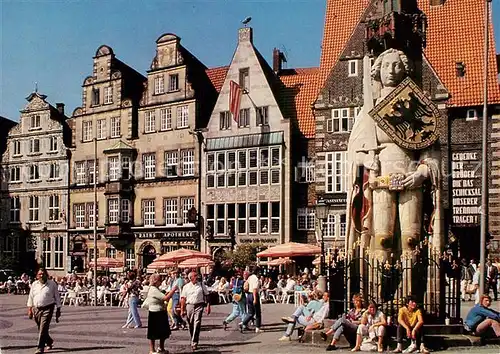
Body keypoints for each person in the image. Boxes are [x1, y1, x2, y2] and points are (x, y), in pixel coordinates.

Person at [346, 48, 442, 269]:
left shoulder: (416, 105)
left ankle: (410, 292)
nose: (392, 70)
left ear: (405, 69)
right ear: (378, 71)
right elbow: (354, 149)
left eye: (397, 65)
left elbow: (430, 149)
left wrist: (421, 173)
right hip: (380, 181)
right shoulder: (370, 109)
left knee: (411, 241)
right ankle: (379, 293)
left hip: (410, 179)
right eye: (387, 65)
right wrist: (364, 161)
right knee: (382, 240)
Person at [27, 267, 62, 354]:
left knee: (43, 328)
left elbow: (57, 297)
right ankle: (49, 341)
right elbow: (31, 297)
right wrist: (30, 309)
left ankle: (40, 348)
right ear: (37, 276)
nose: (41, 276)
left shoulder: (52, 284)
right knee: (41, 328)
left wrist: (58, 308)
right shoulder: (34, 284)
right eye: (39, 274)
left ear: (46, 275)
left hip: (48, 308)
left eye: (43, 274)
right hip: (36, 309)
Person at [143, 274, 178, 354]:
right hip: (155, 312)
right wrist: (173, 290)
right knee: (153, 332)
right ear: (155, 281)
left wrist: (168, 292)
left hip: (161, 311)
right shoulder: (153, 289)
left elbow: (162, 296)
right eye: (160, 280)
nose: (161, 282)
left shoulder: (156, 289)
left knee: (163, 332)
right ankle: (152, 350)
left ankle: (161, 348)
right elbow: (165, 298)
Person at [180, 271, 211, 351]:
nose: (196, 277)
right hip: (189, 306)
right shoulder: (186, 287)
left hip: (199, 305)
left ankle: (194, 342)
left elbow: (207, 295)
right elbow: (183, 298)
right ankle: (192, 337)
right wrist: (182, 310)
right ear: (191, 278)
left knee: (197, 323)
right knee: (190, 324)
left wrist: (208, 306)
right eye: (195, 276)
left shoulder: (201, 284)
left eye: (196, 276)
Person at [241, 267, 264, 333]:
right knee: (258, 312)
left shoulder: (250, 277)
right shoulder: (256, 279)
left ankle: (243, 323)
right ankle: (257, 328)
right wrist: (255, 299)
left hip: (248, 295)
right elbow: (254, 289)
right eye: (259, 272)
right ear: (257, 272)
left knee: (250, 313)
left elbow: (246, 285)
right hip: (254, 295)